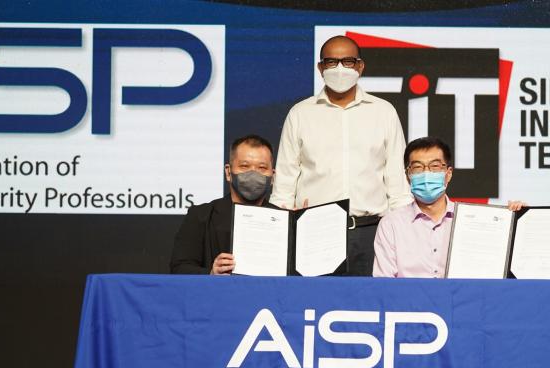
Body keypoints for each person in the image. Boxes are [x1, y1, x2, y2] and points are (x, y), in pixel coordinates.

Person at [270, 35, 413, 276]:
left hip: (371, 232)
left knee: (372, 298)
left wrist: (404, 234)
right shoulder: (300, 114)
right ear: (320, 68)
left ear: (360, 66)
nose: (339, 69)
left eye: (347, 62)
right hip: (316, 231)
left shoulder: (384, 112)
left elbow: (397, 185)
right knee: (317, 297)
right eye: (331, 62)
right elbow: (284, 186)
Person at [373, 137, 525, 278]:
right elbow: (383, 285)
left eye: (435, 166)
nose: (426, 174)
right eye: (418, 167)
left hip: (462, 297)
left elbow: (495, 269)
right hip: (409, 299)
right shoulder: (391, 224)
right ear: (408, 175)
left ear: (448, 174)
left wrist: (519, 219)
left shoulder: (474, 219)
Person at [170, 135, 276, 275]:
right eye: (244, 166)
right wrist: (211, 273)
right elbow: (179, 268)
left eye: (262, 167)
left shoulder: (284, 222)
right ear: (228, 172)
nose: (253, 173)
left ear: (273, 176)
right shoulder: (201, 216)